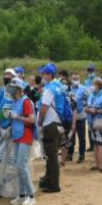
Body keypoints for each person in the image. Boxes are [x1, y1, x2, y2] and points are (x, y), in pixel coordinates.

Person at [3, 78, 36, 205]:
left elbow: (32, 120)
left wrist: (17, 117)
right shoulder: (15, 101)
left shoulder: (26, 101)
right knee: (18, 167)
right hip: (17, 135)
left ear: (18, 89)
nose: (10, 89)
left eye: (12, 87)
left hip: (25, 136)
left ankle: (31, 195)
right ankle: (22, 195)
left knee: (21, 166)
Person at [36, 64, 62, 193]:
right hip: (58, 123)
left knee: (51, 156)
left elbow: (44, 107)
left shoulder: (49, 89)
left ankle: (54, 184)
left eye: (44, 74)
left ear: (49, 75)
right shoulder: (59, 86)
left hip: (50, 124)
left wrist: (40, 121)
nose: (43, 76)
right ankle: (49, 179)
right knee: (52, 154)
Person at [86, 78, 102, 172]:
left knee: (100, 144)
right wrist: (88, 109)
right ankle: (97, 164)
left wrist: (96, 111)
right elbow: (86, 106)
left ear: (99, 85)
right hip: (91, 122)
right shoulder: (91, 95)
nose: (92, 87)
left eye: (94, 85)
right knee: (95, 144)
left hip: (100, 122)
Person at [67, 72, 88, 163]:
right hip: (70, 116)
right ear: (71, 80)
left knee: (82, 137)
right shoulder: (68, 89)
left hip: (80, 116)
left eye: (77, 79)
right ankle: (70, 154)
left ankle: (81, 155)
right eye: (74, 79)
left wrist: (85, 107)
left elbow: (88, 99)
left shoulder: (84, 89)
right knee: (71, 137)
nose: (75, 81)